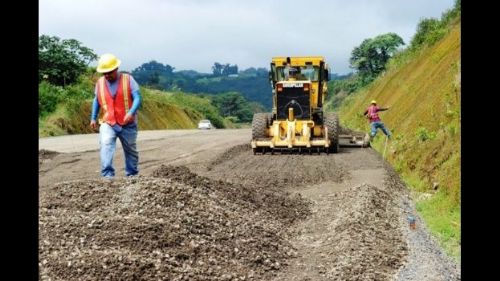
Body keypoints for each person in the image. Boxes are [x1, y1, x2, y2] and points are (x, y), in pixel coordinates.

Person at [90, 53, 142, 178]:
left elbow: (137, 97)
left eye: (110, 72)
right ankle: (107, 176)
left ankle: (132, 176)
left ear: (116, 69)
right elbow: (96, 100)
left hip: (127, 123)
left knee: (131, 150)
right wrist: (93, 118)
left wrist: (131, 112)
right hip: (108, 122)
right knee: (106, 144)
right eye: (104, 73)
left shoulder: (128, 80)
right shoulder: (100, 83)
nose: (107, 75)